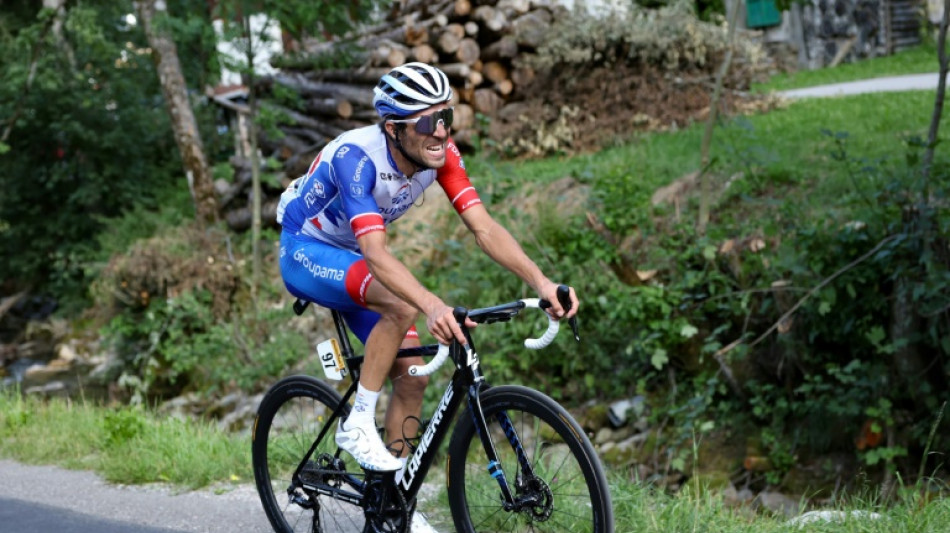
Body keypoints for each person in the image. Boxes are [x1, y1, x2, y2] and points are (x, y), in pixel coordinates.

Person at [276, 62, 578, 531]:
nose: (440, 132)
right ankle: (358, 424)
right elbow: (376, 255)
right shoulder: (357, 159)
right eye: (426, 122)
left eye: (446, 118)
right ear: (393, 128)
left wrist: (542, 283)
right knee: (401, 305)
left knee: (413, 376)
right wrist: (433, 304)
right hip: (307, 250)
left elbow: (484, 228)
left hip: (356, 258)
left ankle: (389, 505)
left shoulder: (440, 154)